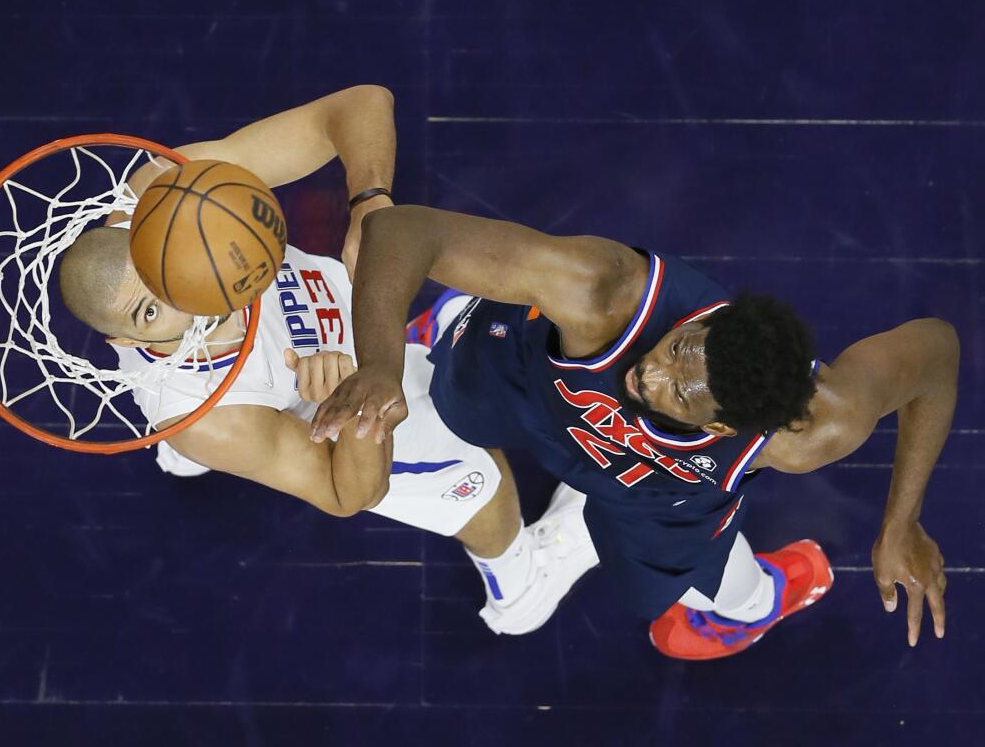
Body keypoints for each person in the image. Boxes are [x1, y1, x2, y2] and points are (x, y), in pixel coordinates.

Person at [58, 87, 596, 634]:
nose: (182, 295)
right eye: (150, 313)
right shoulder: (214, 418)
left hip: (346, 324)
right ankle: (522, 586)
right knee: (482, 479)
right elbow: (348, 494)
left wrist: (369, 203)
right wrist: (354, 409)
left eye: (163, 271)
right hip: (326, 401)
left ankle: (401, 342)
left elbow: (361, 104)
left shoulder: (169, 195)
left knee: (415, 294)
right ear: (123, 343)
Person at [311, 205, 958, 660]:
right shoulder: (606, 293)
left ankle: (762, 603)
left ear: (726, 425)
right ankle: (457, 322)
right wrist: (378, 366)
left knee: (683, 592)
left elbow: (937, 358)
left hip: (658, 488)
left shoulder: (811, 431)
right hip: (532, 380)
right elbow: (402, 230)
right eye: (679, 349)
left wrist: (900, 524)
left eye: (677, 392)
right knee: (451, 389)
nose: (648, 372)